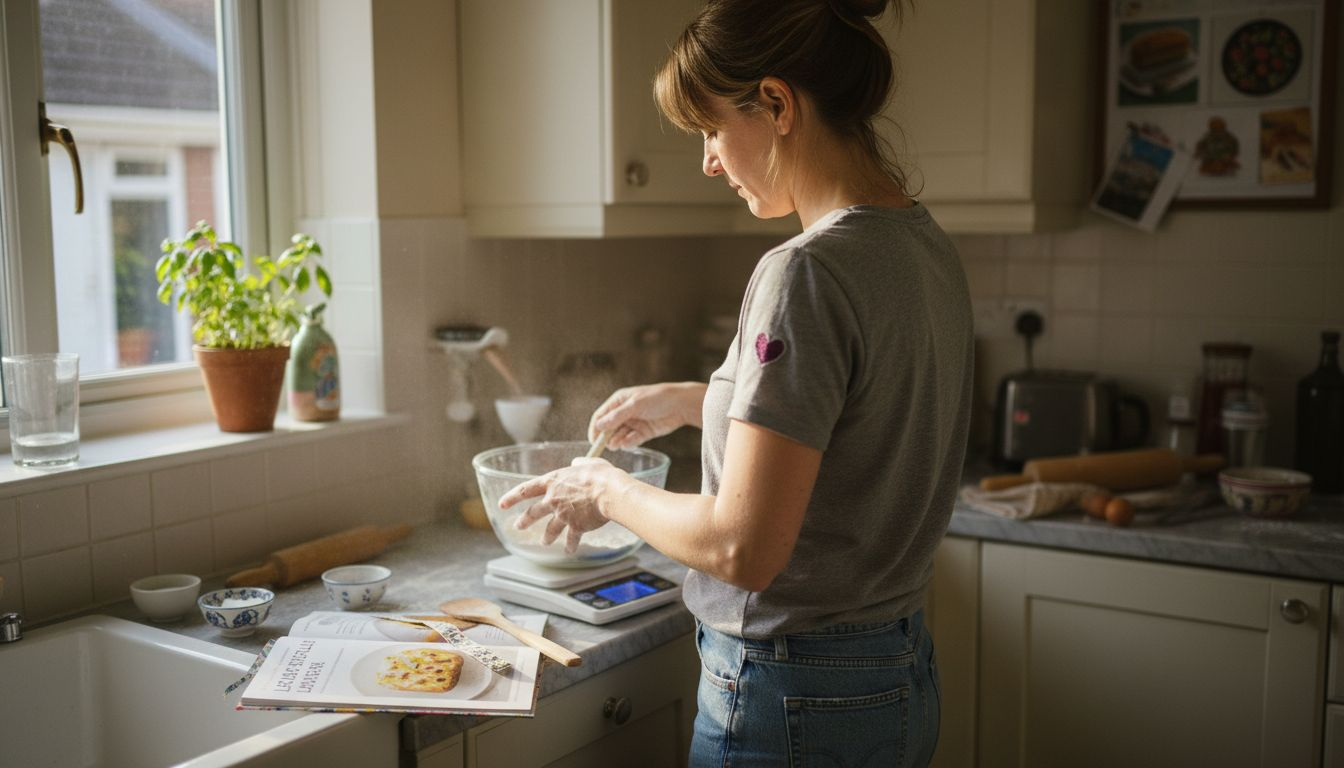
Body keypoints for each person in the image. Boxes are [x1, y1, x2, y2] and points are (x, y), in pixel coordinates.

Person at [499, 0, 973, 764]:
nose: (710, 161)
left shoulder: (805, 271)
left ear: (778, 105)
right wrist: (703, 399)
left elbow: (740, 549)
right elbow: (863, 406)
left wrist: (604, 489)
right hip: (896, 676)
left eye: (712, 129)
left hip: (794, 697)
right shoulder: (922, 243)